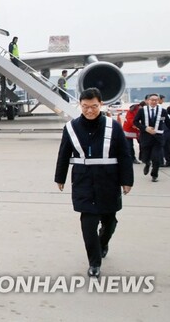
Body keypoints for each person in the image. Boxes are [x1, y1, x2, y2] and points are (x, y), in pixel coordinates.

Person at [55, 87, 133, 278]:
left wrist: (127, 180)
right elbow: (64, 153)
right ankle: (94, 263)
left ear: (101, 105)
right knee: (88, 223)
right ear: (80, 105)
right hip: (83, 181)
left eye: (94, 106)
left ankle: (103, 242)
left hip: (108, 181)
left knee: (110, 221)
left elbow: (124, 154)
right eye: (85, 106)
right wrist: (60, 177)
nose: (89, 110)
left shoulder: (113, 126)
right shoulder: (71, 127)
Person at [134, 93, 168, 181]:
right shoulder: (142, 111)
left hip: (158, 138)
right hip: (146, 137)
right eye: (152, 100)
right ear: (148, 101)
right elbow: (135, 122)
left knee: (156, 157)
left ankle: (154, 174)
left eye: (156, 100)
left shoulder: (163, 111)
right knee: (145, 157)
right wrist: (145, 128)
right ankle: (147, 164)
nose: (154, 102)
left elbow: (168, 123)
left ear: (158, 101)